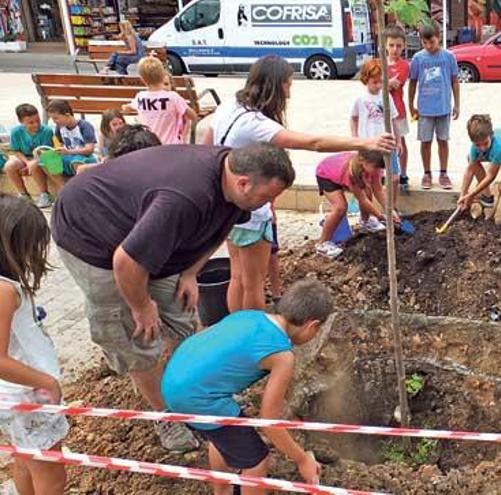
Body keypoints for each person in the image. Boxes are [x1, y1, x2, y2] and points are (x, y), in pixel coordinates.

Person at [52, 143, 295, 453]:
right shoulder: (184, 198)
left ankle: (196, 390)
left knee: (182, 316)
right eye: (267, 197)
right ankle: (165, 414)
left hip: (149, 236)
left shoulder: (236, 183)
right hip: (93, 238)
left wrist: (191, 272)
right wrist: (141, 306)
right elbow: (125, 261)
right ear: (243, 182)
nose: (269, 205)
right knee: (138, 336)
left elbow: (219, 230)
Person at [201, 55, 394, 313]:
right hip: (250, 210)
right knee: (254, 283)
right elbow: (313, 143)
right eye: (288, 85)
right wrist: (364, 143)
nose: (289, 93)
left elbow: (208, 147)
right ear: (276, 85)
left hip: (230, 205)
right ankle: (252, 336)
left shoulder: (230, 105)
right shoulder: (255, 124)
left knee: (237, 276)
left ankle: (236, 327)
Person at [162, 279, 332, 494]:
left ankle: (221, 490)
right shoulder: (281, 355)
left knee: (222, 434)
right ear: (312, 325)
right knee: (256, 459)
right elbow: (268, 422)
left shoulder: (250, 315)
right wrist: (302, 459)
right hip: (198, 399)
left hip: (173, 382)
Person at [0, 194, 69, 495]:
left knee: (26, 459)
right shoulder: (4, 291)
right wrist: (47, 381)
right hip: (29, 394)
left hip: (13, 397)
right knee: (52, 475)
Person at [408, 22, 460, 190]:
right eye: (425, 43)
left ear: (439, 37)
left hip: (444, 107)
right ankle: (427, 173)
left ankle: (443, 173)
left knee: (443, 140)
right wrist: (411, 105)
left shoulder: (448, 57)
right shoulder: (418, 59)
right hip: (425, 109)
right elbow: (413, 83)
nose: (429, 46)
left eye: (432, 42)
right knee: (425, 141)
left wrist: (457, 104)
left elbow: (455, 81)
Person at [315, 151, 397, 259]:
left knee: (368, 191)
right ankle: (322, 244)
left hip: (341, 173)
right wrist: (380, 216)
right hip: (326, 174)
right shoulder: (352, 172)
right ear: (364, 162)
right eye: (376, 167)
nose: (378, 171)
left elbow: (378, 191)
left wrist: (391, 211)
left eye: (380, 168)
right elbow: (362, 199)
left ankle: (365, 221)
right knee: (340, 207)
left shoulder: (374, 168)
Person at [350, 58, 400, 210]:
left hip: (387, 144)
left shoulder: (386, 96)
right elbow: (353, 119)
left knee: (394, 177)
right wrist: (355, 140)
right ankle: (369, 211)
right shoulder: (360, 98)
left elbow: (394, 119)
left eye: (381, 82)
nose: (378, 86)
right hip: (369, 145)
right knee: (370, 179)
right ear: (366, 79)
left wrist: (399, 141)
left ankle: (392, 207)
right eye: (375, 82)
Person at [123, 57, 196, 145]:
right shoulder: (173, 97)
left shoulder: (140, 97)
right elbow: (193, 116)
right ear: (162, 75)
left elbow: (128, 107)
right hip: (171, 146)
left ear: (142, 79)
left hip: (149, 145)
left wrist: (125, 107)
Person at [3, 103, 54, 207]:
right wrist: (27, 162)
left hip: (40, 156)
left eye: (38, 121)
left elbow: (44, 151)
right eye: (31, 123)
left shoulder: (47, 131)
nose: (36, 125)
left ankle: (45, 194)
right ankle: (24, 194)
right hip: (25, 158)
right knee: (9, 166)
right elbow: (16, 151)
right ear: (21, 122)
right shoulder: (15, 132)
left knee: (34, 165)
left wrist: (31, 164)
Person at [45, 99, 98, 186]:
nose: (54, 121)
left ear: (67, 115)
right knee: (46, 158)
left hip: (86, 158)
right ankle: (62, 186)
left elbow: (89, 150)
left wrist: (68, 152)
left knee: (76, 163)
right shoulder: (60, 127)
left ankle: (78, 188)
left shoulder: (84, 126)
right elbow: (61, 144)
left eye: (56, 118)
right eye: (52, 119)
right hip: (69, 156)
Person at [385, 25, 412, 190]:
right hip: (381, 112)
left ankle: (403, 172)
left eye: (399, 46)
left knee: (400, 141)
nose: (395, 49)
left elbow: (395, 84)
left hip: (398, 110)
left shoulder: (404, 65)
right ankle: (386, 172)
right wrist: (385, 83)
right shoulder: (378, 63)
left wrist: (383, 83)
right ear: (385, 45)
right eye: (391, 45)